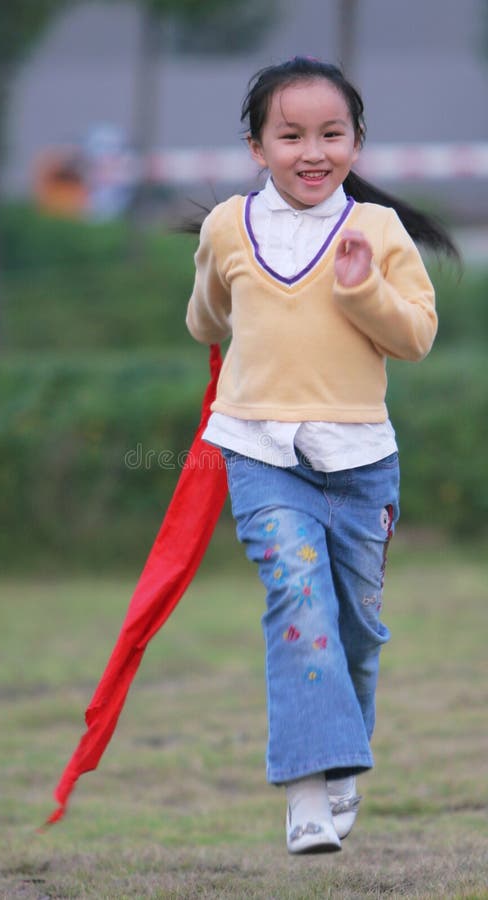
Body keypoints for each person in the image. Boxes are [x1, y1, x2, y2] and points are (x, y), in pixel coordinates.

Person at [185, 57, 458, 855]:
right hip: (263, 453)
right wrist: (221, 323)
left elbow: (415, 339)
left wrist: (362, 291)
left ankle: (342, 765)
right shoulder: (228, 227)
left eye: (331, 134)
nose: (313, 151)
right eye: (291, 134)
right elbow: (207, 314)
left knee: (358, 631)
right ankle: (305, 793)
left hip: (362, 463)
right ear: (256, 147)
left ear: (357, 142)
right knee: (298, 603)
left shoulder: (377, 232)